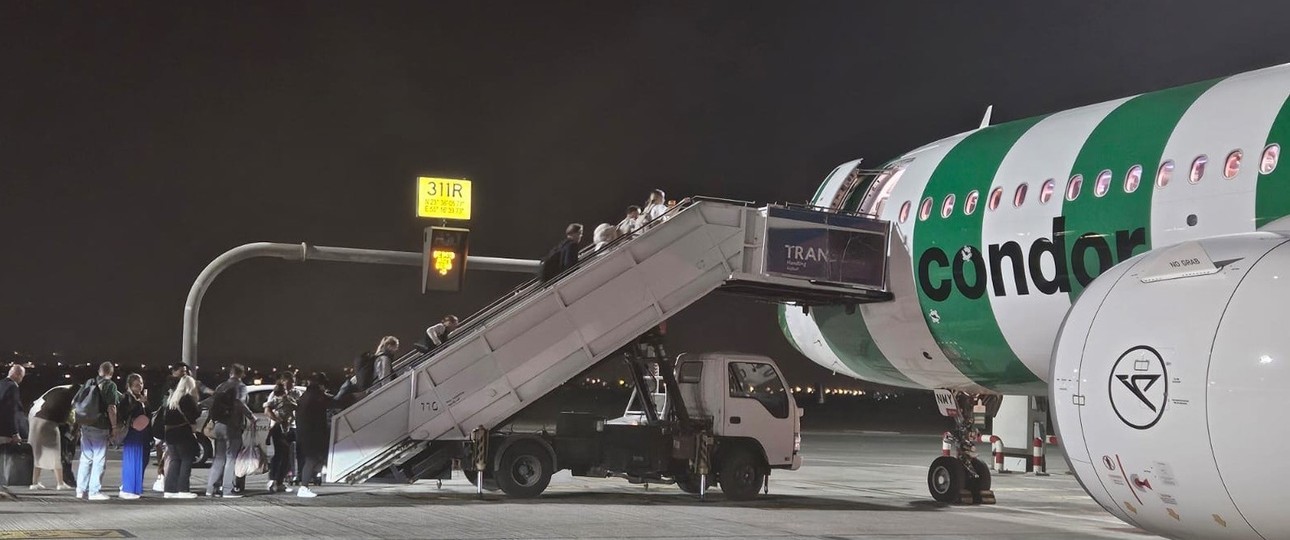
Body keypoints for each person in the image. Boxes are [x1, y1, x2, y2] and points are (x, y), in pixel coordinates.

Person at [76, 362, 121, 501]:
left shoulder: (89, 382)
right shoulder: (110, 385)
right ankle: (94, 491)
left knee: (85, 458)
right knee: (99, 459)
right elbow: (111, 408)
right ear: (111, 373)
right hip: (100, 426)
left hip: (85, 425)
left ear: (99, 371)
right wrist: (114, 427)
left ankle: (80, 490)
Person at [207, 363, 251, 498]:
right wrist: (251, 416)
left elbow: (211, 402)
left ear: (230, 373)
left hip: (219, 425)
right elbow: (239, 403)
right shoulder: (241, 386)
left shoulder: (221, 386)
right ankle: (227, 489)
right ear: (242, 373)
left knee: (219, 458)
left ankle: (210, 489)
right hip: (232, 425)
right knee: (231, 458)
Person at [28, 382, 74, 490]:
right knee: (54, 453)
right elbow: (63, 419)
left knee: (37, 453)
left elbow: (41, 403)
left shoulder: (56, 392)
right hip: (48, 423)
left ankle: (35, 483)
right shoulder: (68, 399)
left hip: (35, 420)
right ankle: (60, 483)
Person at [294, 372, 334, 498]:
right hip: (311, 434)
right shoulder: (316, 396)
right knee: (312, 459)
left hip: (304, 433)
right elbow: (333, 402)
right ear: (320, 384)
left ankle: (307, 482)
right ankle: (304, 487)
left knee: (314, 458)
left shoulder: (307, 395)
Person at [162, 375, 200, 499]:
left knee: (175, 460)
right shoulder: (187, 399)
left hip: (170, 434)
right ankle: (183, 489)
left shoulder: (172, 399)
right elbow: (194, 415)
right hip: (183, 433)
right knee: (186, 460)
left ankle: (169, 489)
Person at [264, 375, 298, 493]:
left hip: (291, 428)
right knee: (280, 454)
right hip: (278, 428)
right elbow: (267, 410)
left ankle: (279, 481)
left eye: (294, 382)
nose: (293, 384)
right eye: (291, 381)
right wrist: (278, 420)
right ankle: (273, 479)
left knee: (287, 456)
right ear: (284, 381)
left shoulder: (295, 393)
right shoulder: (276, 395)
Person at [118, 373, 150, 500]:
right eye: (137, 385)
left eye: (141, 384)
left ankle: (136, 487)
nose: (140, 387)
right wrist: (137, 404)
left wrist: (145, 404)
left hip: (144, 434)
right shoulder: (126, 398)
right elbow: (123, 414)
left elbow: (148, 415)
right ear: (130, 386)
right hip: (132, 433)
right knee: (133, 460)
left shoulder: (143, 399)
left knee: (143, 460)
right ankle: (128, 488)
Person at [0, 366, 24, 444]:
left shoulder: (1, 384)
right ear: (18, 375)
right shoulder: (12, 387)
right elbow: (11, 411)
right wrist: (15, 433)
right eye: (22, 377)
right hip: (5, 432)